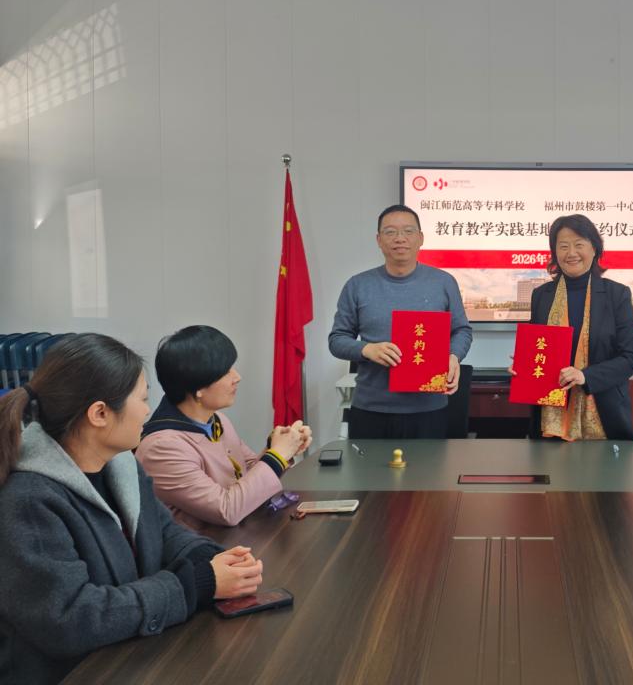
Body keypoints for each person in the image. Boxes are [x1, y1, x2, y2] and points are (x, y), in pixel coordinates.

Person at [0, 333, 264, 685]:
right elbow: (71, 619)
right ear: (100, 413)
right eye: (142, 399)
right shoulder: (28, 499)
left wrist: (213, 558)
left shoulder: (120, 464)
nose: (148, 411)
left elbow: (165, 533)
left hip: (132, 657)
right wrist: (199, 583)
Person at [135, 325, 312, 529]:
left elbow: (248, 474)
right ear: (198, 388)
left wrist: (282, 447)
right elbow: (226, 509)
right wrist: (277, 455)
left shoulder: (216, 419)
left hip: (238, 538)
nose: (237, 377)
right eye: (225, 372)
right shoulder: (161, 447)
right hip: (207, 545)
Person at [328, 204, 473, 439]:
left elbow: (462, 330)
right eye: (390, 232)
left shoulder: (443, 282)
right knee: (370, 466)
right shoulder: (358, 285)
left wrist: (453, 355)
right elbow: (337, 340)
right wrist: (367, 349)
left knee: (428, 466)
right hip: (371, 409)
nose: (400, 238)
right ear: (379, 240)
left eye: (408, 231)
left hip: (428, 409)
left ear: (420, 238)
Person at [518, 213, 633, 441]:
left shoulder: (617, 294)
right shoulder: (542, 295)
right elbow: (539, 349)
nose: (571, 253)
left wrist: (585, 376)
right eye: (563, 246)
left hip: (604, 414)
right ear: (555, 252)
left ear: (594, 249)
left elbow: (630, 359)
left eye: (579, 245)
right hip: (550, 416)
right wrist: (523, 366)